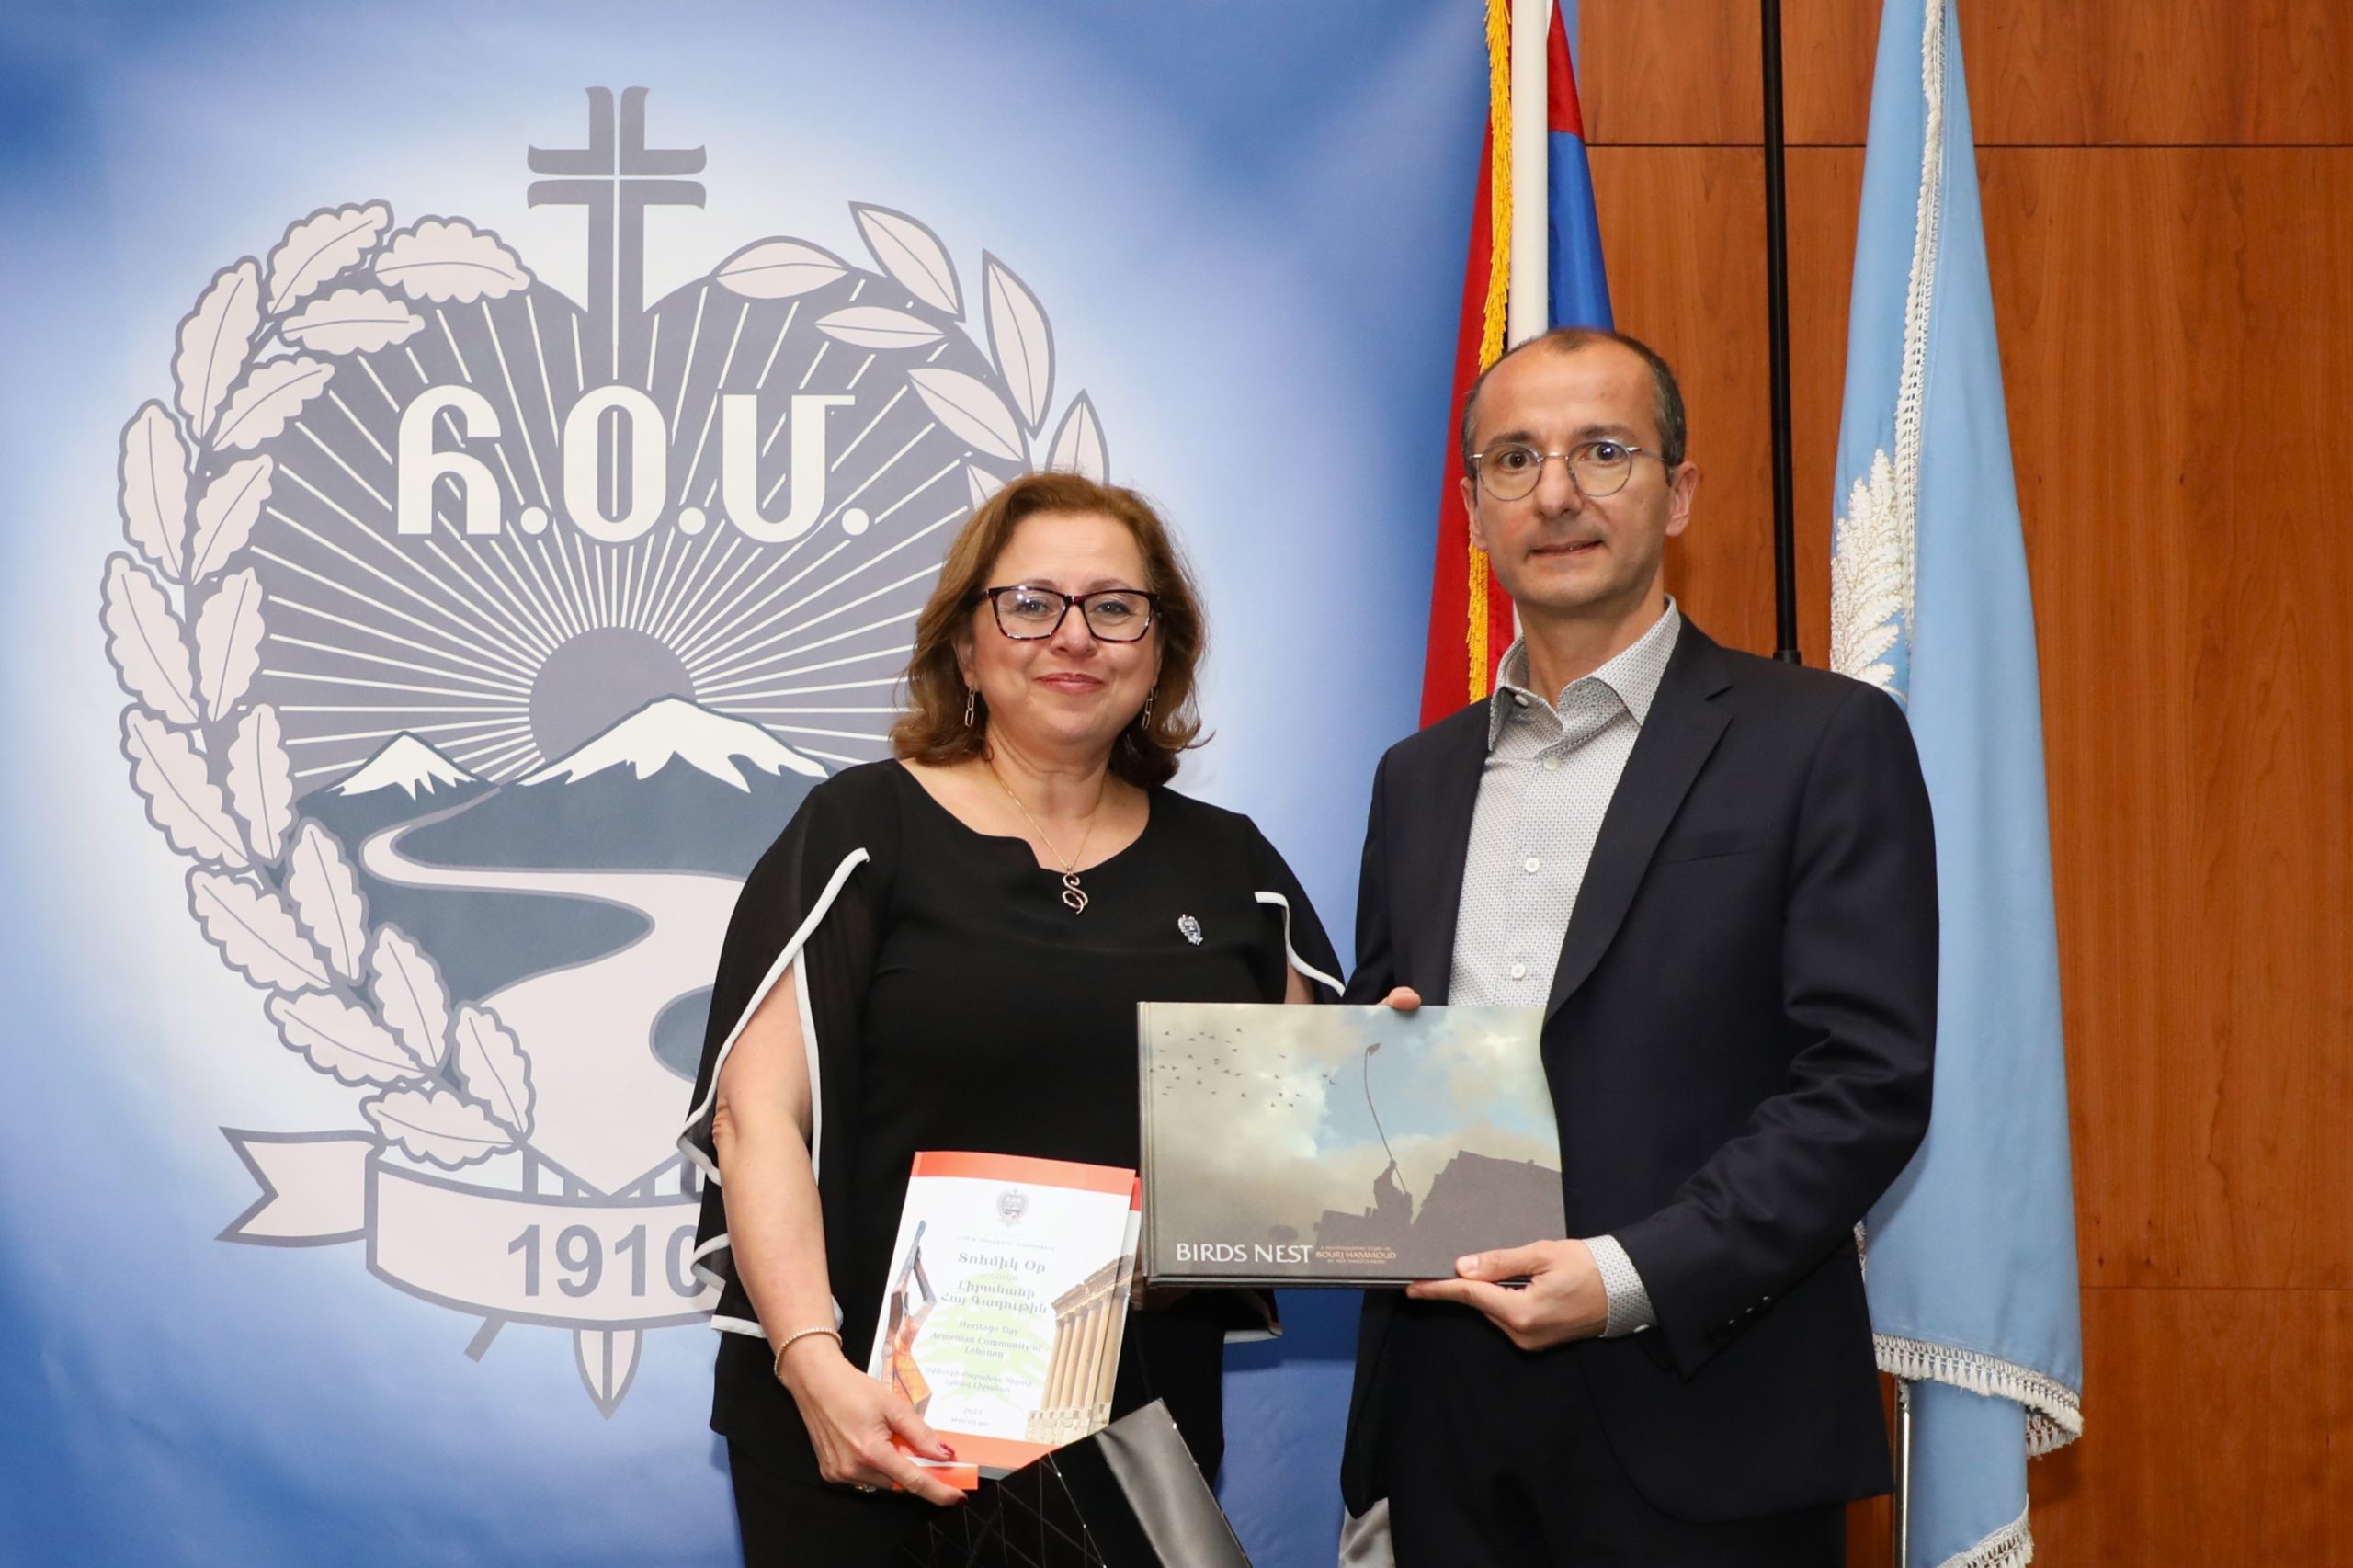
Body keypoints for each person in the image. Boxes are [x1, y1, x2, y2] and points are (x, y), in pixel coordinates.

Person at [1337, 328, 1938, 1566]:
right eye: (1515, 459)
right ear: (1474, 509)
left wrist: (1626, 1273)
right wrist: (1353, 1078)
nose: (1557, 492)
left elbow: (1865, 1082)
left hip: (1706, 1406)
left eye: (1603, 451)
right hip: (1448, 1420)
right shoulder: (1417, 776)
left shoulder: (1823, 739)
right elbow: (1381, 1041)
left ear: (1679, 491)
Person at [678, 471, 1341, 1566]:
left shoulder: (1234, 870)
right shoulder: (861, 830)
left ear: (1160, 649)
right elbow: (755, 1120)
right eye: (1031, 603)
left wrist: (1380, 1089)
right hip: (864, 1422)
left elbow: (1290, 1168)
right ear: (964, 643)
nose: (1074, 635)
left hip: (1128, 1435)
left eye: (1114, 606)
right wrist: (810, 1361)